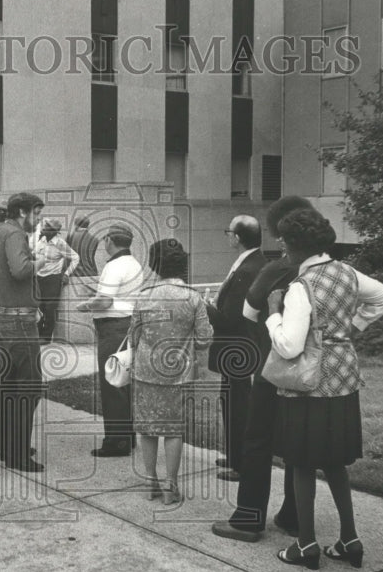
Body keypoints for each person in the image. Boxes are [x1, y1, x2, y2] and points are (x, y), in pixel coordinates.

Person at [265, 208, 383, 571]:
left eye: (286, 243)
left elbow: (289, 346)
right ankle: (349, 538)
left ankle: (305, 544)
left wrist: (274, 314)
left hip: (310, 381)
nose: (283, 249)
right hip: (344, 378)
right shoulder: (346, 272)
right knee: (335, 462)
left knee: (302, 463)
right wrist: (349, 327)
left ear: (297, 246)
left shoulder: (300, 287)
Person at [211, 196, 314, 543]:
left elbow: (247, 314)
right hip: (311, 368)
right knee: (298, 446)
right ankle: (293, 515)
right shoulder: (332, 270)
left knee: (257, 441)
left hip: (271, 362)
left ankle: (249, 518)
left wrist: (273, 316)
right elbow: (378, 297)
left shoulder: (275, 269)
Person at [130, 239, 213, 504]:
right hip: (179, 373)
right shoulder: (192, 297)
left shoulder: (144, 296)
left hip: (145, 370)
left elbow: (134, 335)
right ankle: (171, 486)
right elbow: (204, 338)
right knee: (173, 430)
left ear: (155, 265)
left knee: (147, 429)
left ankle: (151, 481)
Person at [0, 192, 46, 472]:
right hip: (20, 325)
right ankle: (18, 454)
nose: (39, 220)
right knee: (28, 388)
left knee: (9, 386)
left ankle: (9, 448)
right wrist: (43, 261)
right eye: (36, 214)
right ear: (22, 212)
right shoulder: (15, 235)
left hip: (6, 319)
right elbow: (20, 270)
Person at [206, 215, 266, 482]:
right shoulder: (256, 262)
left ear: (238, 237)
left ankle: (241, 464)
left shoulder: (246, 270)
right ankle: (234, 455)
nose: (227, 235)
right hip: (243, 346)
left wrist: (206, 306)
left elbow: (230, 319)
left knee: (237, 404)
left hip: (237, 348)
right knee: (231, 400)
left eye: (228, 231)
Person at [76, 225, 144, 457]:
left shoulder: (114, 266)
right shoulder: (133, 263)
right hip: (126, 325)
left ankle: (116, 442)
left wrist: (85, 305)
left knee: (112, 383)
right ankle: (127, 436)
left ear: (109, 241)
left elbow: (104, 302)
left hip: (112, 328)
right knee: (122, 382)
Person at [34, 218, 79, 343]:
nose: (43, 229)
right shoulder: (41, 240)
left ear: (53, 231)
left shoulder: (60, 243)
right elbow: (33, 254)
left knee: (49, 308)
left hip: (53, 278)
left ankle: (46, 337)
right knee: (39, 306)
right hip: (39, 277)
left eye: (47, 228)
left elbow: (76, 258)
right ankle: (38, 334)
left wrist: (67, 274)